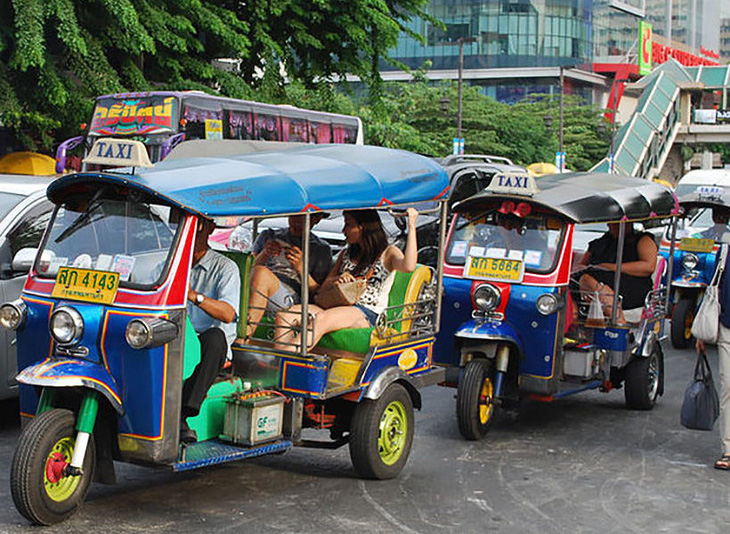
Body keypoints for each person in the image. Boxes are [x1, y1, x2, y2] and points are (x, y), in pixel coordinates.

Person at [273, 208, 419, 350]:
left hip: (365, 312)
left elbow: (409, 266)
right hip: (335, 305)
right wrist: (338, 278)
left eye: (348, 224)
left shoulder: (388, 253)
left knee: (321, 320)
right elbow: (322, 289)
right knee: (285, 316)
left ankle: (288, 357)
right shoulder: (346, 254)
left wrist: (412, 225)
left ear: (362, 227)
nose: (344, 230)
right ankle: (280, 362)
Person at [180, 217, 241, 443]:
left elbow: (227, 313)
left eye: (196, 227)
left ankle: (183, 414)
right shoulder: (167, 264)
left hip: (208, 343)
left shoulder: (225, 268)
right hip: (178, 334)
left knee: (216, 338)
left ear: (210, 229)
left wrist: (193, 295)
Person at [244, 213, 332, 340]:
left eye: (303, 218)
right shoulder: (268, 236)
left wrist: (301, 268)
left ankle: (245, 334)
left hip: (289, 299)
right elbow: (247, 271)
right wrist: (264, 254)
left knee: (261, 273)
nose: (297, 222)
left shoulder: (321, 249)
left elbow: (317, 294)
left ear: (316, 220)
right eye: (294, 216)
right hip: (256, 287)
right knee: (259, 272)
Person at [576, 223, 658, 321]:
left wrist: (609, 267)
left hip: (631, 285)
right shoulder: (600, 243)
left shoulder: (642, 240)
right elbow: (581, 265)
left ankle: (619, 323)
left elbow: (648, 267)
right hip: (596, 283)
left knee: (587, 280)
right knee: (574, 283)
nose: (610, 225)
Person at [697, 243, 730, 470]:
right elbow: (713, 287)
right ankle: (728, 450)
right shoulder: (726, 250)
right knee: (728, 386)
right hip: (727, 327)